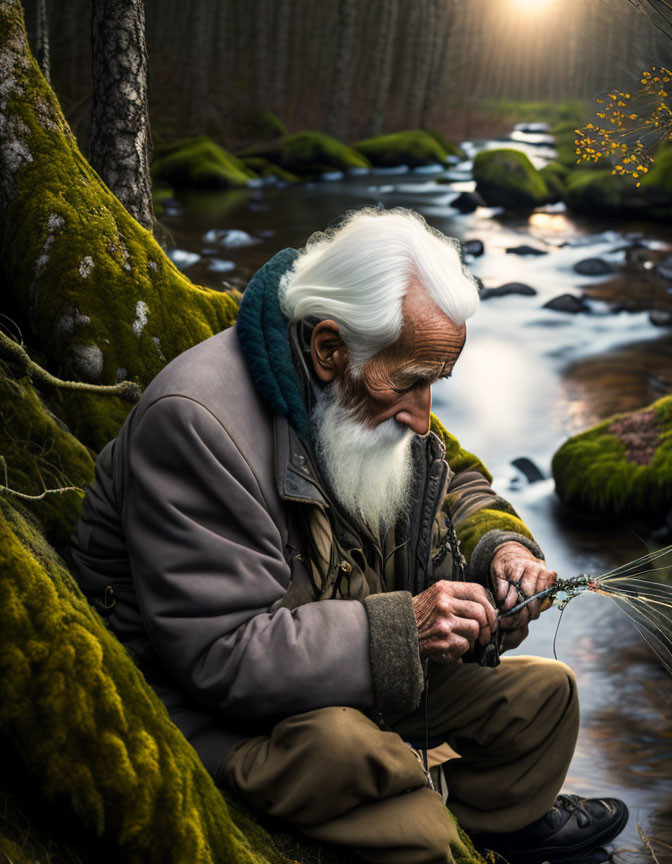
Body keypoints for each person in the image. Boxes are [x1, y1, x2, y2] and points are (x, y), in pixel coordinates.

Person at [69, 208, 627, 864]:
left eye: (435, 385)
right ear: (329, 349)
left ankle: (463, 810)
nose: (424, 419)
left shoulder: (371, 382)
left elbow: (456, 480)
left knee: (545, 699)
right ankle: (429, 808)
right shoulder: (196, 425)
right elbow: (220, 656)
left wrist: (501, 552)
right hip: (225, 713)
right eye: (414, 385)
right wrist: (407, 629)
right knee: (372, 776)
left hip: (347, 667)